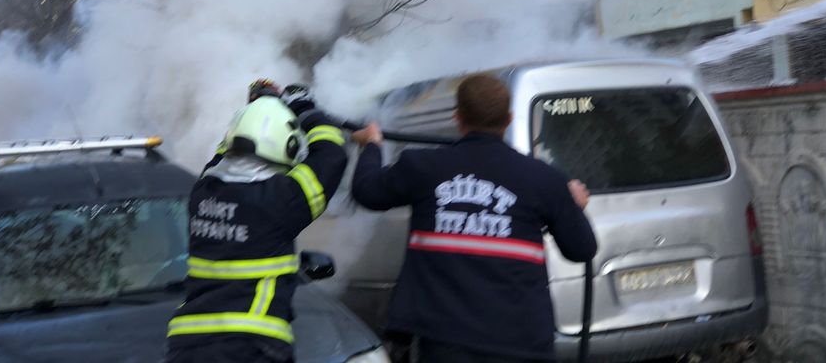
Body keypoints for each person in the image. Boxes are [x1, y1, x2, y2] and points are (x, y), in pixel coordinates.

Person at [351, 73, 597, 363]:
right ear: (509, 119)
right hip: (523, 343)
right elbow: (581, 249)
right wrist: (574, 206)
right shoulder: (544, 178)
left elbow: (367, 191)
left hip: (445, 343)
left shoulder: (423, 167)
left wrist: (371, 145)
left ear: (458, 117)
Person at [166, 83, 348, 363]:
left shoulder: (203, 192)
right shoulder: (282, 200)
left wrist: (259, 107)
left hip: (187, 346)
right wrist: (304, 108)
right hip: (251, 347)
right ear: (287, 146)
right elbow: (331, 153)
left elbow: (225, 153)